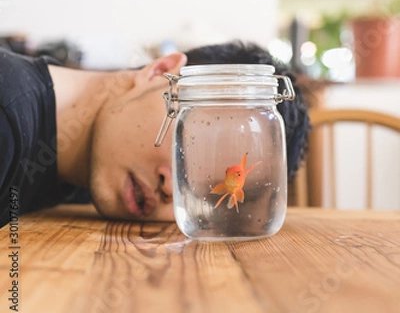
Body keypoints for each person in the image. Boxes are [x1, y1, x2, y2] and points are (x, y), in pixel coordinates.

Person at [0, 41, 310, 228]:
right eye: (191, 142)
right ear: (159, 72)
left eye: (201, 194)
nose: (172, 191)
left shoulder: (90, 176)